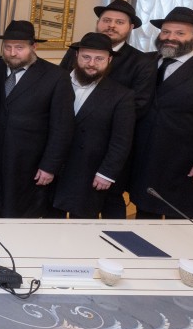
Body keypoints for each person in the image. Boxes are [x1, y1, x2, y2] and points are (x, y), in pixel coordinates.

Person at [130, 7, 193, 219]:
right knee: (144, 223)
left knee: (182, 226)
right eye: (166, 32)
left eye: (179, 33)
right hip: (144, 162)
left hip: (186, 167)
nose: (170, 38)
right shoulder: (144, 62)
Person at [58, 0, 153, 218]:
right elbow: (60, 88)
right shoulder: (75, 51)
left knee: (107, 202)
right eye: (106, 20)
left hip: (105, 146)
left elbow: (139, 105)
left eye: (119, 22)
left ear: (130, 27)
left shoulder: (141, 61)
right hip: (67, 144)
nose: (111, 25)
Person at [0, 20, 74, 218]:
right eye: (7, 47)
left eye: (19, 48)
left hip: (28, 164)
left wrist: (49, 166)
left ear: (34, 47)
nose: (12, 53)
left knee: (21, 218)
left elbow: (62, 127)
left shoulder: (56, 77)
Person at [52, 33, 136, 219]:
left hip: (89, 171)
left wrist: (107, 173)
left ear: (109, 60)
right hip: (53, 168)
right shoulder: (55, 82)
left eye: (99, 59)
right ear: (76, 56)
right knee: (50, 221)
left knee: (82, 224)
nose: (91, 63)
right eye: (86, 57)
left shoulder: (121, 95)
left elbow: (121, 141)